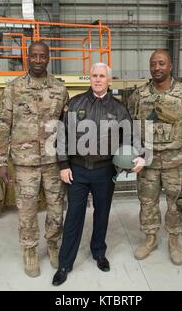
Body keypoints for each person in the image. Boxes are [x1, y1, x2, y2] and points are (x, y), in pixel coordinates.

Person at [52, 62, 145, 286]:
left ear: (109, 80)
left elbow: (130, 136)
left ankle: (99, 253)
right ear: (89, 78)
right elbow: (62, 136)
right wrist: (63, 165)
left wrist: (139, 155)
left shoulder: (119, 109)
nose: (97, 79)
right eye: (94, 75)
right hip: (77, 170)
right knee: (74, 215)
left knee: (102, 214)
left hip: (105, 170)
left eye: (102, 76)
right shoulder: (74, 103)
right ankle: (65, 263)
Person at [0, 41, 69, 278]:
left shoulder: (59, 89)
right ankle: (30, 251)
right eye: (33, 56)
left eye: (42, 56)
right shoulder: (13, 88)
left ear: (48, 58)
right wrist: (1, 161)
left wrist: (70, 161)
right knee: (26, 211)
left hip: (54, 163)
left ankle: (54, 246)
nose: (38, 60)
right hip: (24, 164)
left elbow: (68, 128)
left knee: (57, 209)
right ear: (28, 57)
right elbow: (3, 125)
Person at [126, 49, 182, 265]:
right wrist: (133, 154)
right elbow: (130, 126)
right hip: (148, 163)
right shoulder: (138, 96)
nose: (157, 68)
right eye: (153, 64)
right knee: (147, 202)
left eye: (162, 63)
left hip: (177, 162)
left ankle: (174, 241)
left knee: (176, 204)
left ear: (170, 66)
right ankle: (150, 238)